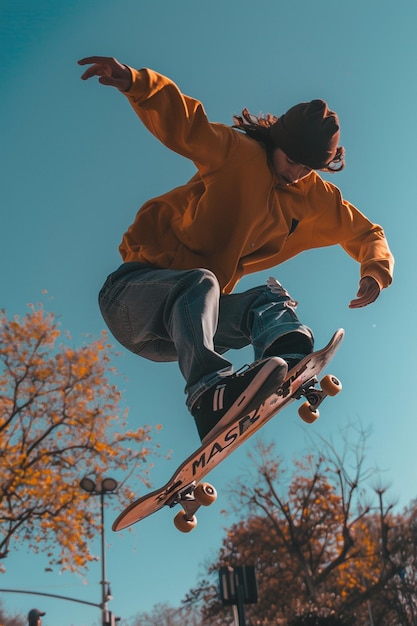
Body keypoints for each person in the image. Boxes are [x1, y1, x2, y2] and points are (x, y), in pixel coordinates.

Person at [78, 56, 394, 442]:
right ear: (277, 141)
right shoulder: (237, 153)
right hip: (132, 298)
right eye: (292, 160)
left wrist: (375, 269)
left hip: (186, 328)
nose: (296, 173)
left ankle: (286, 358)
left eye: (307, 168)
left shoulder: (316, 198)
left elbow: (366, 231)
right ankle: (207, 394)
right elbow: (186, 124)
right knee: (201, 283)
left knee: (268, 300)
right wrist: (136, 82)